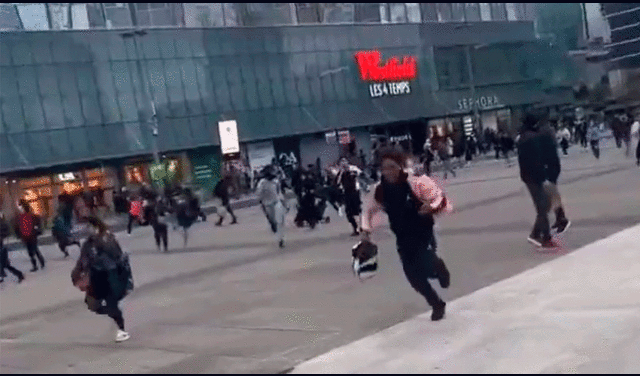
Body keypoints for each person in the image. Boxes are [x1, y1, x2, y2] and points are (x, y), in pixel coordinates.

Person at [360, 148, 452, 321]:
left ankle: (440, 269)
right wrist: (365, 230)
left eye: (392, 167)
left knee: (426, 264)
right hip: (402, 236)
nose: (388, 172)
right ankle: (436, 304)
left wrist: (431, 207)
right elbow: (368, 211)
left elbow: (438, 196)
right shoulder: (380, 190)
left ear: (401, 166)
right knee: (413, 277)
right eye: (384, 168)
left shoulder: (416, 183)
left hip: (423, 232)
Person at [71, 216, 133, 343]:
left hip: (110, 275)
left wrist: (101, 244)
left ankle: (121, 329)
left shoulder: (107, 238)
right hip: (96, 276)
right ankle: (114, 311)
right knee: (92, 304)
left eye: (90, 226)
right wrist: (76, 273)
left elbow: (117, 255)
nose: (87, 229)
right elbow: (82, 260)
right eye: (86, 227)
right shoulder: (88, 244)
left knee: (111, 304)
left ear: (96, 226)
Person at [517, 111, 563, 250]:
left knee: (543, 206)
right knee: (543, 207)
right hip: (535, 177)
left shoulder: (523, 137)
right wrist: (545, 176)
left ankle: (536, 234)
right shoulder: (532, 138)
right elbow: (537, 160)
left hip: (529, 177)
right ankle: (544, 237)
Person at [257, 165, 286, 248]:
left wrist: (283, 201)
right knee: (273, 222)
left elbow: (279, 192)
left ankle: (281, 239)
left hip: (276, 203)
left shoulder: (276, 182)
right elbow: (259, 194)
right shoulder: (262, 183)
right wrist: (260, 201)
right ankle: (277, 233)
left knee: (279, 221)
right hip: (267, 205)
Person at [14, 199, 45, 272]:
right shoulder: (19, 217)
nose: (19, 207)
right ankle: (35, 265)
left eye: (20, 205)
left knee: (34, 250)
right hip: (26, 236)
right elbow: (17, 227)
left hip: (31, 235)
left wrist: (38, 230)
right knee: (31, 251)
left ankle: (40, 262)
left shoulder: (32, 215)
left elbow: (38, 223)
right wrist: (18, 234)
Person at [336, 157, 364, 236]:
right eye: (342, 163)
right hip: (347, 193)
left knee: (357, 210)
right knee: (349, 212)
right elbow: (337, 182)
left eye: (345, 162)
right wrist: (341, 172)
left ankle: (361, 226)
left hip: (355, 192)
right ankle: (355, 228)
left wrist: (354, 173)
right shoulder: (340, 172)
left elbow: (361, 174)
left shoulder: (353, 169)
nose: (344, 164)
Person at [52, 193, 81, 258]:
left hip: (63, 224)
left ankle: (72, 246)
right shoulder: (69, 205)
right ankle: (75, 244)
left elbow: (60, 213)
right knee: (65, 240)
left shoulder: (63, 206)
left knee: (64, 241)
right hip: (66, 224)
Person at [1, 212, 24, 284]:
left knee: (5, 265)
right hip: (2, 247)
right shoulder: (3, 223)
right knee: (4, 264)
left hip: (2, 248)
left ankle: (19, 274)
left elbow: (6, 232)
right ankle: (2, 275)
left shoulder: (2, 223)